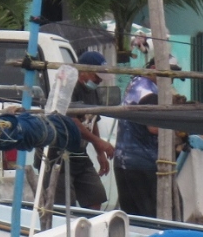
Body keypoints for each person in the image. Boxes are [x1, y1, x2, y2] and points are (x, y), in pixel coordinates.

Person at [60, 50, 114, 210]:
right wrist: (99, 142)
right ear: (83, 71)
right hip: (60, 155)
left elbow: (93, 120)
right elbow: (73, 121)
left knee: (95, 197)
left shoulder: (92, 92)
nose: (98, 81)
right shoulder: (68, 88)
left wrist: (100, 152)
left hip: (80, 154)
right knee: (63, 206)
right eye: (96, 77)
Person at [113, 77, 159, 217]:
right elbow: (154, 128)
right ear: (154, 67)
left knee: (131, 216)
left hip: (123, 160)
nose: (171, 81)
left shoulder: (134, 83)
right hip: (143, 163)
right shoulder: (149, 93)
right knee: (149, 216)